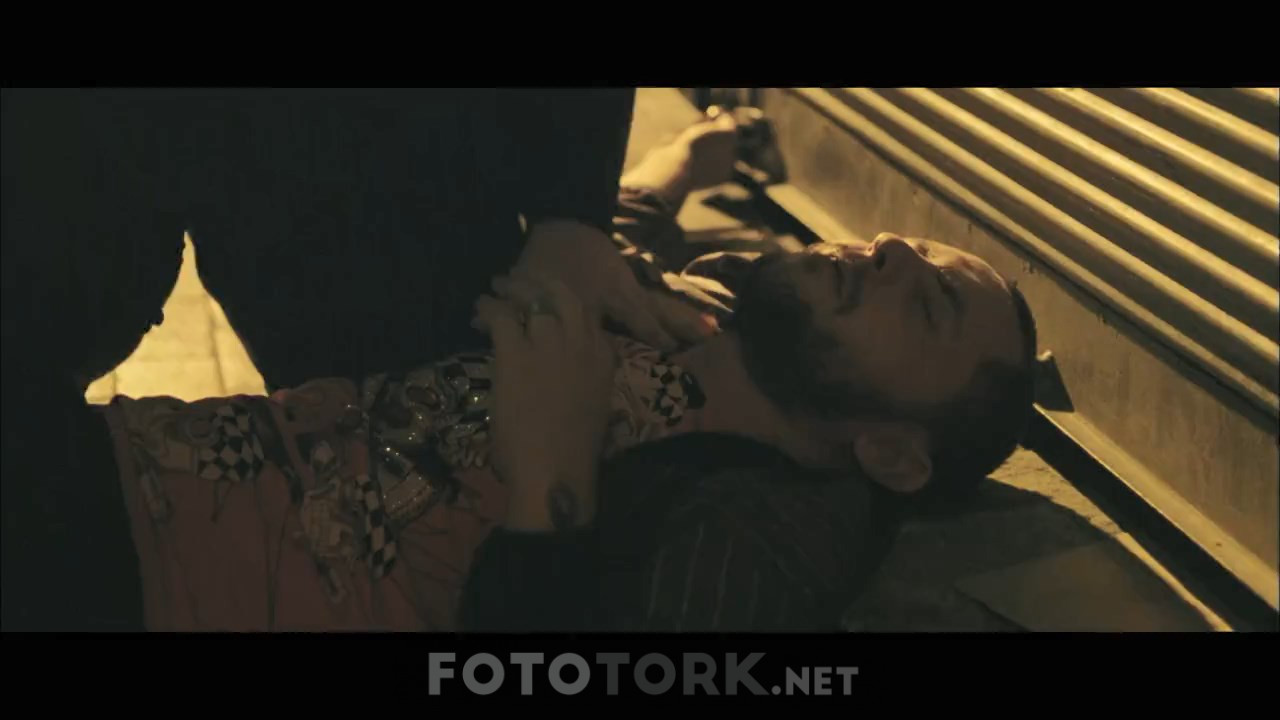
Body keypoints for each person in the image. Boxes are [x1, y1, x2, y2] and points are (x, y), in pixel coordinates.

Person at [5, 110, 1039, 631]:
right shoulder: (722, 314)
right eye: (910, 247)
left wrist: (552, 472)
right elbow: (605, 233)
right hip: (107, 451)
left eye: (930, 303)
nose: (890, 251)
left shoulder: (766, 528)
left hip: (113, 577)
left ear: (894, 454)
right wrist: (689, 160)